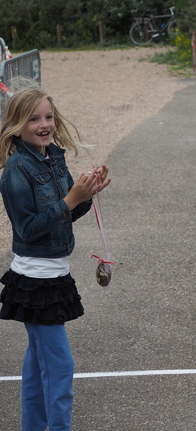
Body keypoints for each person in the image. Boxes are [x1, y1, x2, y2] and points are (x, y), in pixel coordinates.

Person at [0, 83, 111, 430]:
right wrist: (70, 199)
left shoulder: (54, 158)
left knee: (36, 367)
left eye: (48, 116)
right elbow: (29, 228)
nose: (44, 124)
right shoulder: (16, 171)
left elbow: (65, 214)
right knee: (60, 367)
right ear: (17, 125)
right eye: (33, 119)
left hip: (53, 275)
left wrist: (85, 194)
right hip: (35, 280)